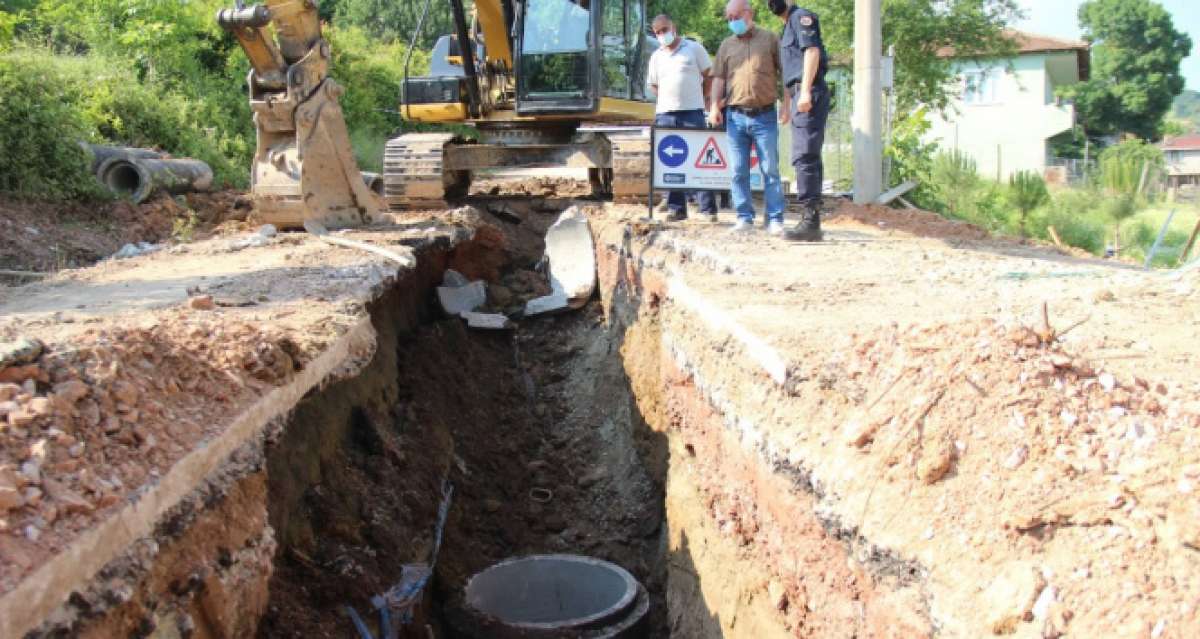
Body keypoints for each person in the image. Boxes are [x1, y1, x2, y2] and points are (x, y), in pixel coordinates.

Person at [708, 0, 788, 234]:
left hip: (765, 115)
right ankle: (744, 217)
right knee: (738, 170)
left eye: (736, 16)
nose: (733, 21)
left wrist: (787, 105)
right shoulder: (726, 45)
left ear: (749, 14)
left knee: (770, 169)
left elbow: (785, 73)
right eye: (729, 18)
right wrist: (714, 106)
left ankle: (775, 219)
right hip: (735, 117)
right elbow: (719, 79)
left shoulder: (770, 39)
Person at [770, 0, 830, 241]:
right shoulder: (786, 28)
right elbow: (789, 72)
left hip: (809, 92)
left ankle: (811, 221)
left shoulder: (801, 17)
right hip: (797, 94)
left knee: (805, 154)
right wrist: (787, 104)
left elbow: (812, 52)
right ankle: (810, 218)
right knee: (803, 154)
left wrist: (805, 91)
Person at [648, 14, 718, 222]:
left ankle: (707, 209)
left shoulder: (694, 48)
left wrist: (705, 97)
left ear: (673, 27)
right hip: (665, 114)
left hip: (692, 112)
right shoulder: (656, 57)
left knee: (699, 160)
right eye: (658, 32)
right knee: (670, 162)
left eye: (665, 29)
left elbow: (709, 75)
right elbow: (654, 85)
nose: (662, 34)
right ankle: (676, 209)